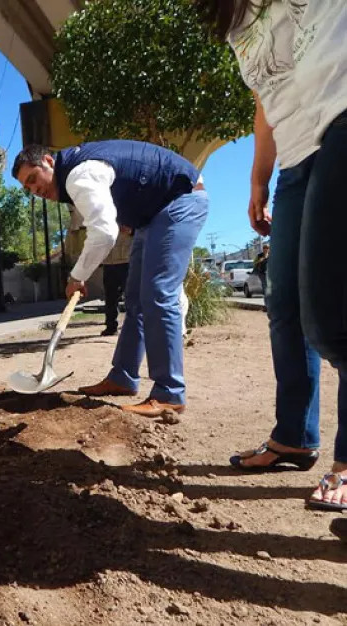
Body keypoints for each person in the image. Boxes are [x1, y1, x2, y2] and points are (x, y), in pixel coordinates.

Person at [195, 2, 347, 523]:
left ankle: (346, 463)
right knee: (283, 306)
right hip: (295, 158)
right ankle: (294, 438)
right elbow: (267, 99)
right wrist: (259, 178)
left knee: (332, 320)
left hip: (342, 120)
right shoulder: (231, 18)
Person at [13, 141, 208, 417]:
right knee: (136, 300)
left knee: (157, 294)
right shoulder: (78, 171)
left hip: (179, 200)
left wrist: (77, 276)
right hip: (152, 215)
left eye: (34, 179)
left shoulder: (79, 175)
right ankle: (123, 378)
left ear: (48, 161)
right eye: (28, 189)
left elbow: (104, 233)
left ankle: (169, 393)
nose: (36, 191)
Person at [100, 228, 132, 337]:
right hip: (108, 262)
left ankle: (133, 326)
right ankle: (111, 326)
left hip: (127, 260)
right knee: (110, 297)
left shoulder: (128, 213)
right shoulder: (105, 214)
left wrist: (130, 231)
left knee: (131, 296)